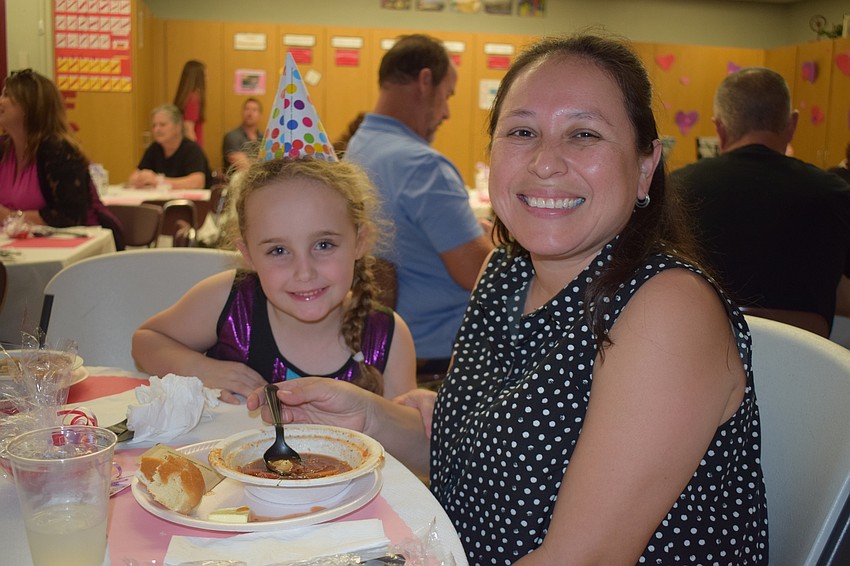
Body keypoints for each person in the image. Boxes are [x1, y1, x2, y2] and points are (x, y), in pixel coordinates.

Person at [249, 34, 769, 564]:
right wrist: (367, 419)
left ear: (644, 166)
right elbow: (479, 459)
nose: (546, 162)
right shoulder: (506, 271)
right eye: (522, 131)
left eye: (584, 134)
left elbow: (583, 557)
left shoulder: (666, 309)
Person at [132, 157, 418, 405]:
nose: (304, 272)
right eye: (278, 250)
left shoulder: (388, 336)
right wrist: (201, 368)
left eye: (324, 245)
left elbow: (408, 448)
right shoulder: (227, 301)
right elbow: (146, 342)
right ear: (248, 255)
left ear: (360, 241)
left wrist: (421, 415)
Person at [344, 34, 492, 373]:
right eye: (447, 95)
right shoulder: (423, 166)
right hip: (442, 357)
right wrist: (499, 243)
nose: (447, 112)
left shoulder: (360, 147)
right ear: (426, 81)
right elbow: (479, 273)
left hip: (386, 346)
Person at [672, 67, 850, 333]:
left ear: (719, 128)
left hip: (699, 354)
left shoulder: (675, 189)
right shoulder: (835, 194)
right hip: (807, 364)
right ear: (792, 125)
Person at [0, 69, 123, 248]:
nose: (0, 101)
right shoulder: (3, 149)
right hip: (24, 245)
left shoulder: (57, 149)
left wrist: (9, 216)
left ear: (29, 105)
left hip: (82, 248)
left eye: (7, 95)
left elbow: (71, 216)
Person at [128, 104, 213, 189]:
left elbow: (197, 183)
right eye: (154, 125)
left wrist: (158, 181)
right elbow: (132, 178)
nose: (157, 129)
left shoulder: (192, 149)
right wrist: (140, 179)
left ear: (178, 126)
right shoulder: (154, 148)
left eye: (162, 125)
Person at [222, 97, 262, 173]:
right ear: (242, 112)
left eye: (254, 110)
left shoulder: (264, 138)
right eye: (247, 109)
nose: (250, 113)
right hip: (236, 182)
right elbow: (242, 165)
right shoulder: (232, 136)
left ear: (259, 114)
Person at [173, 60, 206, 148]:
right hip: (191, 149)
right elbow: (188, 130)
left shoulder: (185, 96)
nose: (207, 78)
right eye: (205, 75)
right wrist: (196, 153)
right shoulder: (193, 98)